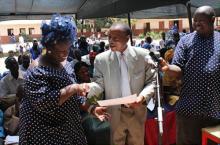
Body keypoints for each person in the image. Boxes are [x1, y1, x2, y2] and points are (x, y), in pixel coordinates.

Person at [19, 14, 100, 145]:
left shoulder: (66, 63)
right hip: (44, 134)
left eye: (67, 49)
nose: (64, 54)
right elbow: (43, 102)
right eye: (59, 51)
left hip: (69, 128)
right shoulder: (36, 69)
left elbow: (74, 95)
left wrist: (91, 108)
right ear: (48, 46)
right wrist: (73, 88)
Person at [88, 23, 156, 145]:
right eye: (109, 37)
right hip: (114, 112)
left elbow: (152, 81)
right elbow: (99, 84)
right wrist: (88, 88)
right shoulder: (101, 59)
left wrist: (142, 97)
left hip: (137, 111)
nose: (111, 41)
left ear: (127, 38)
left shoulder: (143, 55)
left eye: (115, 38)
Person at [160, 6, 220, 145]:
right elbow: (178, 69)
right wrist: (168, 68)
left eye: (201, 20)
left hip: (214, 111)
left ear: (213, 20)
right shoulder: (185, 41)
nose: (197, 24)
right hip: (189, 111)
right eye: (195, 20)